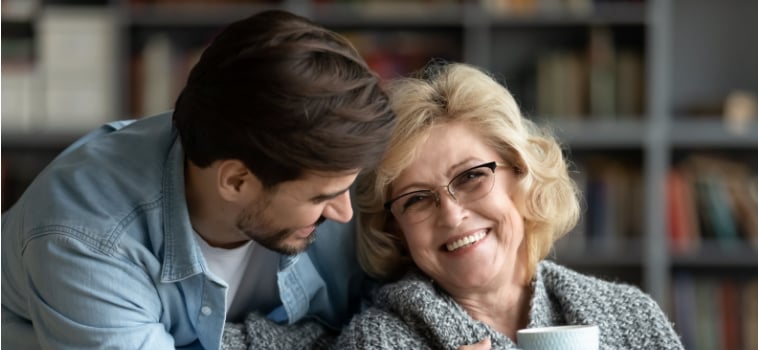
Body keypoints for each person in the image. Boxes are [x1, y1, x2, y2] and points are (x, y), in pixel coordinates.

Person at [1, 9, 395, 349]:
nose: (346, 213)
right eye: (320, 198)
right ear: (236, 181)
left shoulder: (319, 165)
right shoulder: (87, 241)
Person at [332, 62, 684, 349]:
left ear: (521, 173)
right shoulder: (372, 343)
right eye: (417, 199)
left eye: (471, 177)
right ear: (395, 228)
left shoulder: (631, 316)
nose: (452, 215)